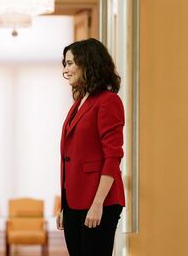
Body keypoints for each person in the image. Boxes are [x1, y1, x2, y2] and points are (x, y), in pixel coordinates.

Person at [56, 38, 125, 256]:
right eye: (64, 63)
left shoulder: (108, 101)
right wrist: (64, 206)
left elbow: (112, 156)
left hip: (99, 201)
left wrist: (98, 204)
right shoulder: (79, 102)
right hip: (75, 202)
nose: (66, 68)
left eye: (70, 63)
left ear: (88, 63)